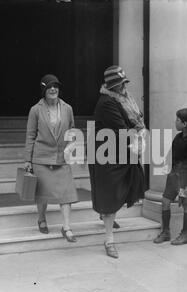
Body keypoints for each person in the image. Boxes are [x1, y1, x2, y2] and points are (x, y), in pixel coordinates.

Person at [88, 65, 145, 259]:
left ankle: (107, 215)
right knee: (111, 195)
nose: (123, 87)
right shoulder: (107, 103)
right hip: (107, 157)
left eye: (123, 83)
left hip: (118, 154)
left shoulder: (121, 99)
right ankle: (109, 239)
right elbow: (122, 129)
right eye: (120, 84)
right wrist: (137, 136)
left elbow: (132, 122)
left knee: (121, 190)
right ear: (112, 86)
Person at [24, 74, 78, 242]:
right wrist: (28, 160)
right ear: (44, 90)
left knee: (66, 193)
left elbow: (72, 130)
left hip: (62, 158)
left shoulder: (67, 108)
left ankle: (67, 227)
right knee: (42, 194)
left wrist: (72, 146)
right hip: (41, 158)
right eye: (49, 86)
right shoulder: (35, 110)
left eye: (56, 86)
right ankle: (41, 218)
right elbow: (30, 135)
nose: (53, 89)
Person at [153, 108, 187, 245]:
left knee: (186, 204)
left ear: (185, 124)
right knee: (165, 201)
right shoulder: (179, 137)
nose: (175, 122)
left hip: (185, 178)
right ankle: (166, 232)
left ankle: (185, 235)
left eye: (178, 120)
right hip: (174, 175)